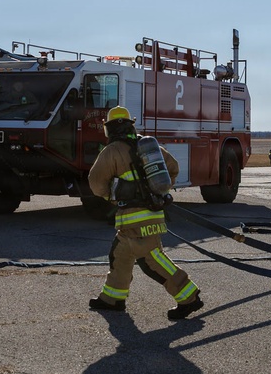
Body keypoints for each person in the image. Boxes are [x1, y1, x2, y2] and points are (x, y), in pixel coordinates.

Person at [87, 106, 204, 320]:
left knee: (152, 262)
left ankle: (189, 297)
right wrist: (159, 191)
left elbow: (95, 184)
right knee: (120, 255)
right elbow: (173, 167)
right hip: (148, 215)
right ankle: (112, 299)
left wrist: (111, 196)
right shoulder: (148, 146)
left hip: (134, 219)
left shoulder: (112, 151)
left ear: (110, 128)